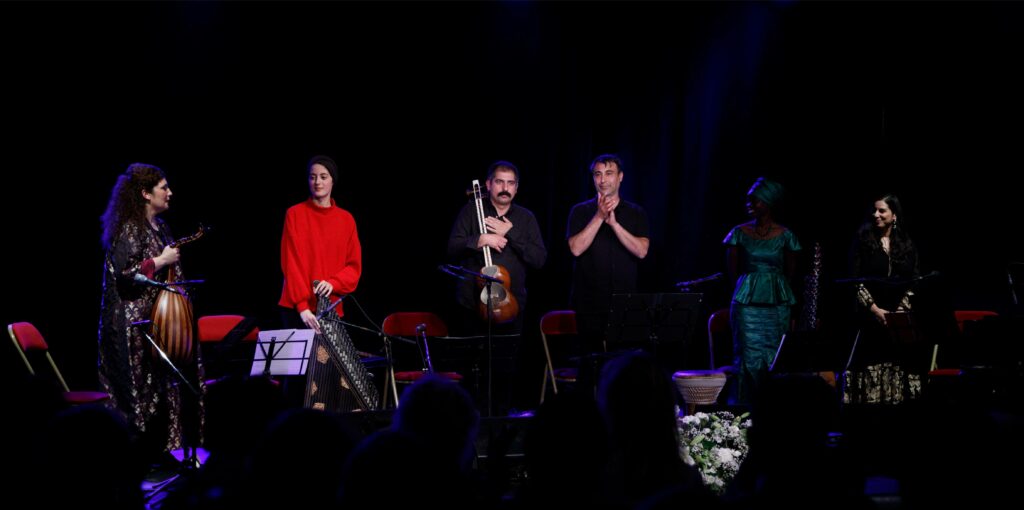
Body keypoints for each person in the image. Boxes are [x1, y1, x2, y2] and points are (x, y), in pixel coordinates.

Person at [98, 162, 204, 464]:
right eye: (163, 188)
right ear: (145, 193)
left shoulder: (161, 226)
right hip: (131, 327)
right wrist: (160, 261)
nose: (170, 193)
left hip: (159, 323)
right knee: (138, 396)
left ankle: (168, 455)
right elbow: (125, 275)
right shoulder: (128, 228)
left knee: (167, 387)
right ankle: (138, 462)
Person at [447, 160, 547, 414]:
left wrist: (510, 233)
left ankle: (500, 425)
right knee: (473, 371)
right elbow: (452, 248)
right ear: (489, 184)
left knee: (505, 371)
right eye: (499, 182)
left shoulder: (525, 219)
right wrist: (480, 239)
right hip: (473, 305)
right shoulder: (472, 212)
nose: (505, 188)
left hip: (511, 307)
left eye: (510, 183)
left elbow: (539, 259)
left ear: (516, 188)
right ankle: (472, 429)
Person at [723, 177, 801, 405]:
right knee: (748, 357)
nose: (749, 204)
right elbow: (732, 273)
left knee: (775, 357)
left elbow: (791, 273)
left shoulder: (786, 235)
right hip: (747, 304)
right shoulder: (739, 232)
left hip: (777, 303)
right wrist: (749, 289)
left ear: (768, 203)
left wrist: (775, 290)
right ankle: (745, 411)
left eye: (754, 200)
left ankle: (773, 409)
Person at [567, 154, 650, 354]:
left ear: (620, 177)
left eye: (609, 173)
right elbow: (576, 248)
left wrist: (614, 224)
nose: (603, 180)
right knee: (590, 363)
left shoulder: (635, 212)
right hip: (589, 303)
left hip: (625, 302)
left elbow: (641, 251)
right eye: (598, 174)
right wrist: (599, 216)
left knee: (623, 365)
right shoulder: (580, 211)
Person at [845, 193, 921, 404]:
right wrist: (877, 311)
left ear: (894, 215)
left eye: (882, 210)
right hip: (870, 317)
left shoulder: (906, 244)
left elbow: (914, 280)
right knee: (869, 362)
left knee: (898, 363)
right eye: (874, 210)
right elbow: (855, 280)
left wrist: (898, 312)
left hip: (898, 318)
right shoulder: (863, 241)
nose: (876, 215)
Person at [279, 155, 362, 334]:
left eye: (323, 177)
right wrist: (302, 307)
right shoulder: (294, 214)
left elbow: (354, 267)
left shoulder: (346, 220)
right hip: (297, 309)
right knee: (301, 362)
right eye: (312, 177)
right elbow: (291, 264)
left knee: (326, 362)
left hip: (330, 309)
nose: (317, 182)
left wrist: (334, 283)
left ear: (333, 180)